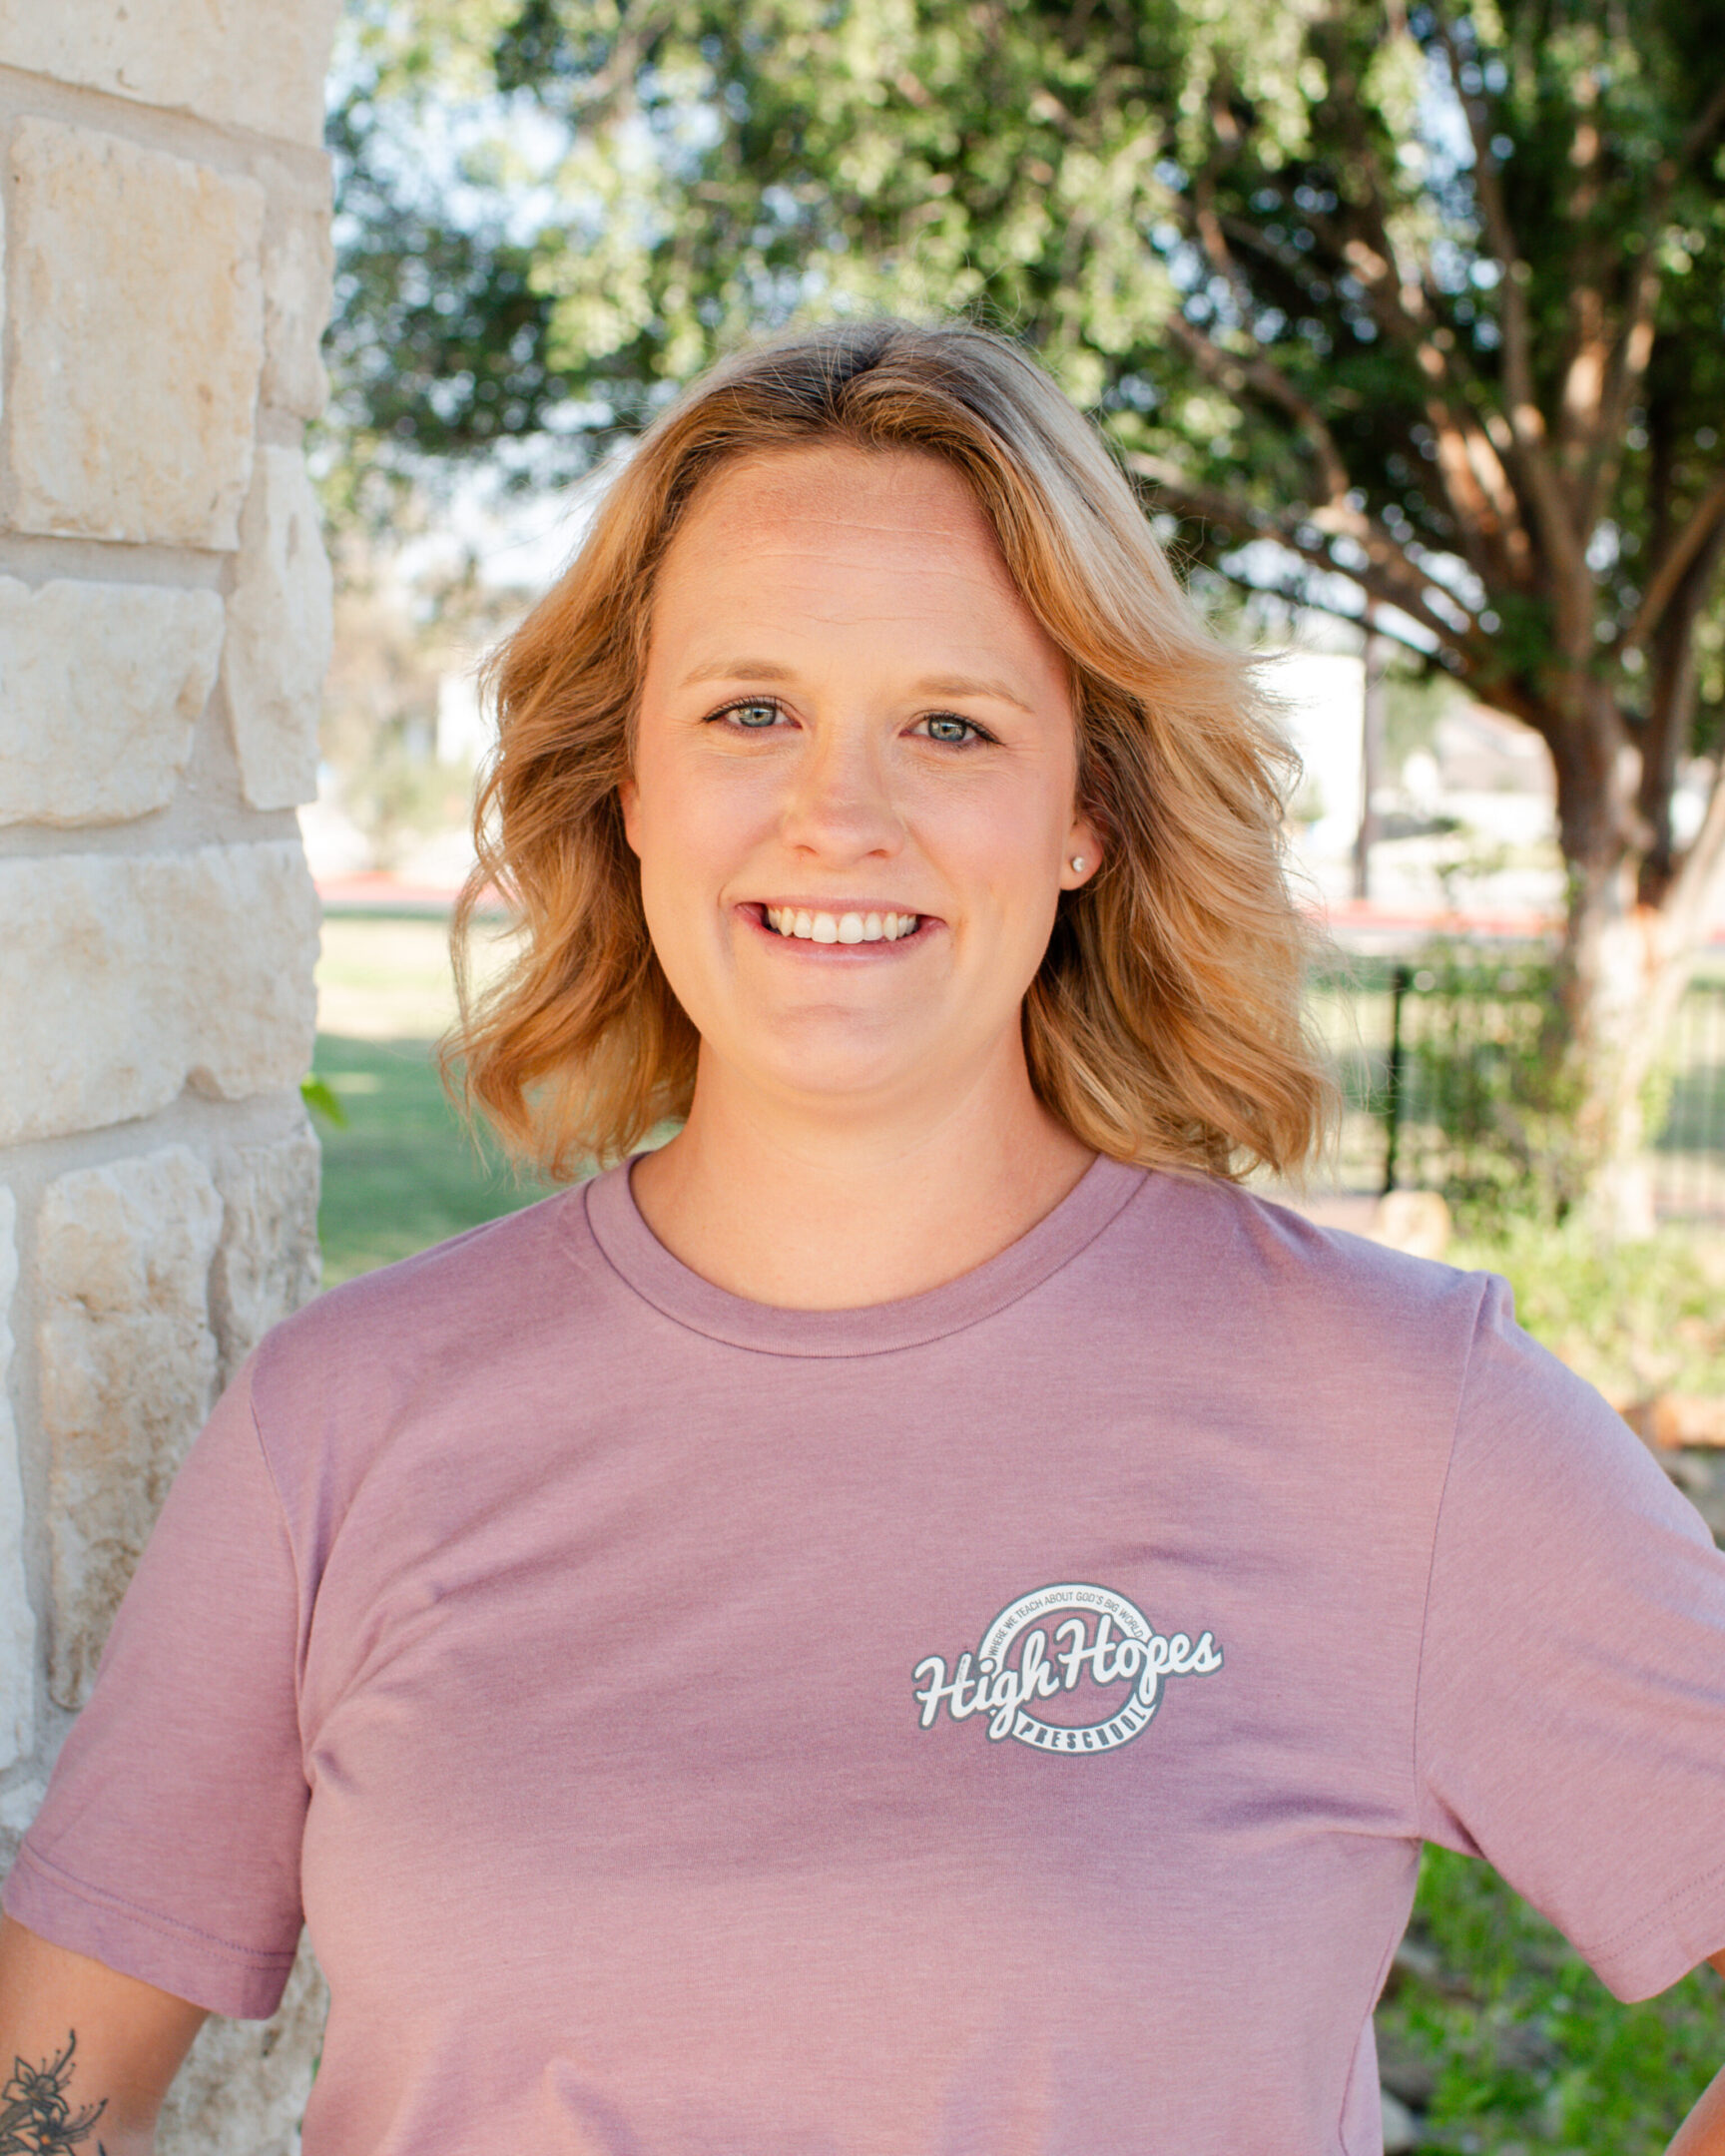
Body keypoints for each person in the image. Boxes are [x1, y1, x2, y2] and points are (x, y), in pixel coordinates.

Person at [2, 318, 1724, 2156]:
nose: (840, 816)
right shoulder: (347, 1418)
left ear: (1084, 811)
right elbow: (49, 2092)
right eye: (753, 711)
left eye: (952, 725)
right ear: (632, 785)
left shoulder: (1398, 1418)